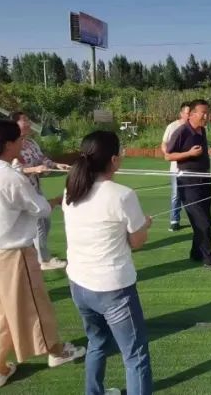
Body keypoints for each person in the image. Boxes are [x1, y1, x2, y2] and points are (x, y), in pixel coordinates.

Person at [0, 120, 86, 389]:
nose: (23, 144)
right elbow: (40, 208)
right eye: (19, 140)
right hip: (13, 254)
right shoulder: (10, 176)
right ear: (8, 145)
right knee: (36, 305)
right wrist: (58, 200)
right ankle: (56, 351)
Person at [63, 131, 153, 395]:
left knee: (97, 342)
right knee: (135, 355)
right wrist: (143, 225)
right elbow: (137, 242)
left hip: (79, 284)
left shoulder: (72, 189)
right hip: (113, 289)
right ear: (114, 160)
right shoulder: (122, 195)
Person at [165, 99, 211, 270]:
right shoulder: (182, 131)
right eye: (203, 113)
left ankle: (196, 252)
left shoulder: (202, 130)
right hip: (188, 182)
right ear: (192, 114)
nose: (206, 116)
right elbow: (168, 155)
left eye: (208, 113)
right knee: (202, 221)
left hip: (204, 179)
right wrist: (189, 154)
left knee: (204, 219)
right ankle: (210, 259)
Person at [10, 111, 70, 271]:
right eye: (24, 120)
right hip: (22, 192)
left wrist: (56, 165)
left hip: (35, 189)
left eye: (28, 119)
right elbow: (12, 169)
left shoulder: (30, 143)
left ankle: (40, 257)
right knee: (38, 225)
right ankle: (42, 260)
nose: (28, 123)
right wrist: (34, 169)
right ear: (14, 124)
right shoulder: (11, 145)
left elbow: (42, 158)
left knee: (45, 221)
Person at [161, 102, 191, 232]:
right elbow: (164, 144)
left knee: (193, 194)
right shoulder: (172, 126)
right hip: (176, 168)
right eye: (187, 113)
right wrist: (167, 153)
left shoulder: (195, 128)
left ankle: (196, 220)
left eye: (191, 113)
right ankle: (174, 221)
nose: (189, 116)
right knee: (176, 194)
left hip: (192, 169)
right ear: (181, 113)